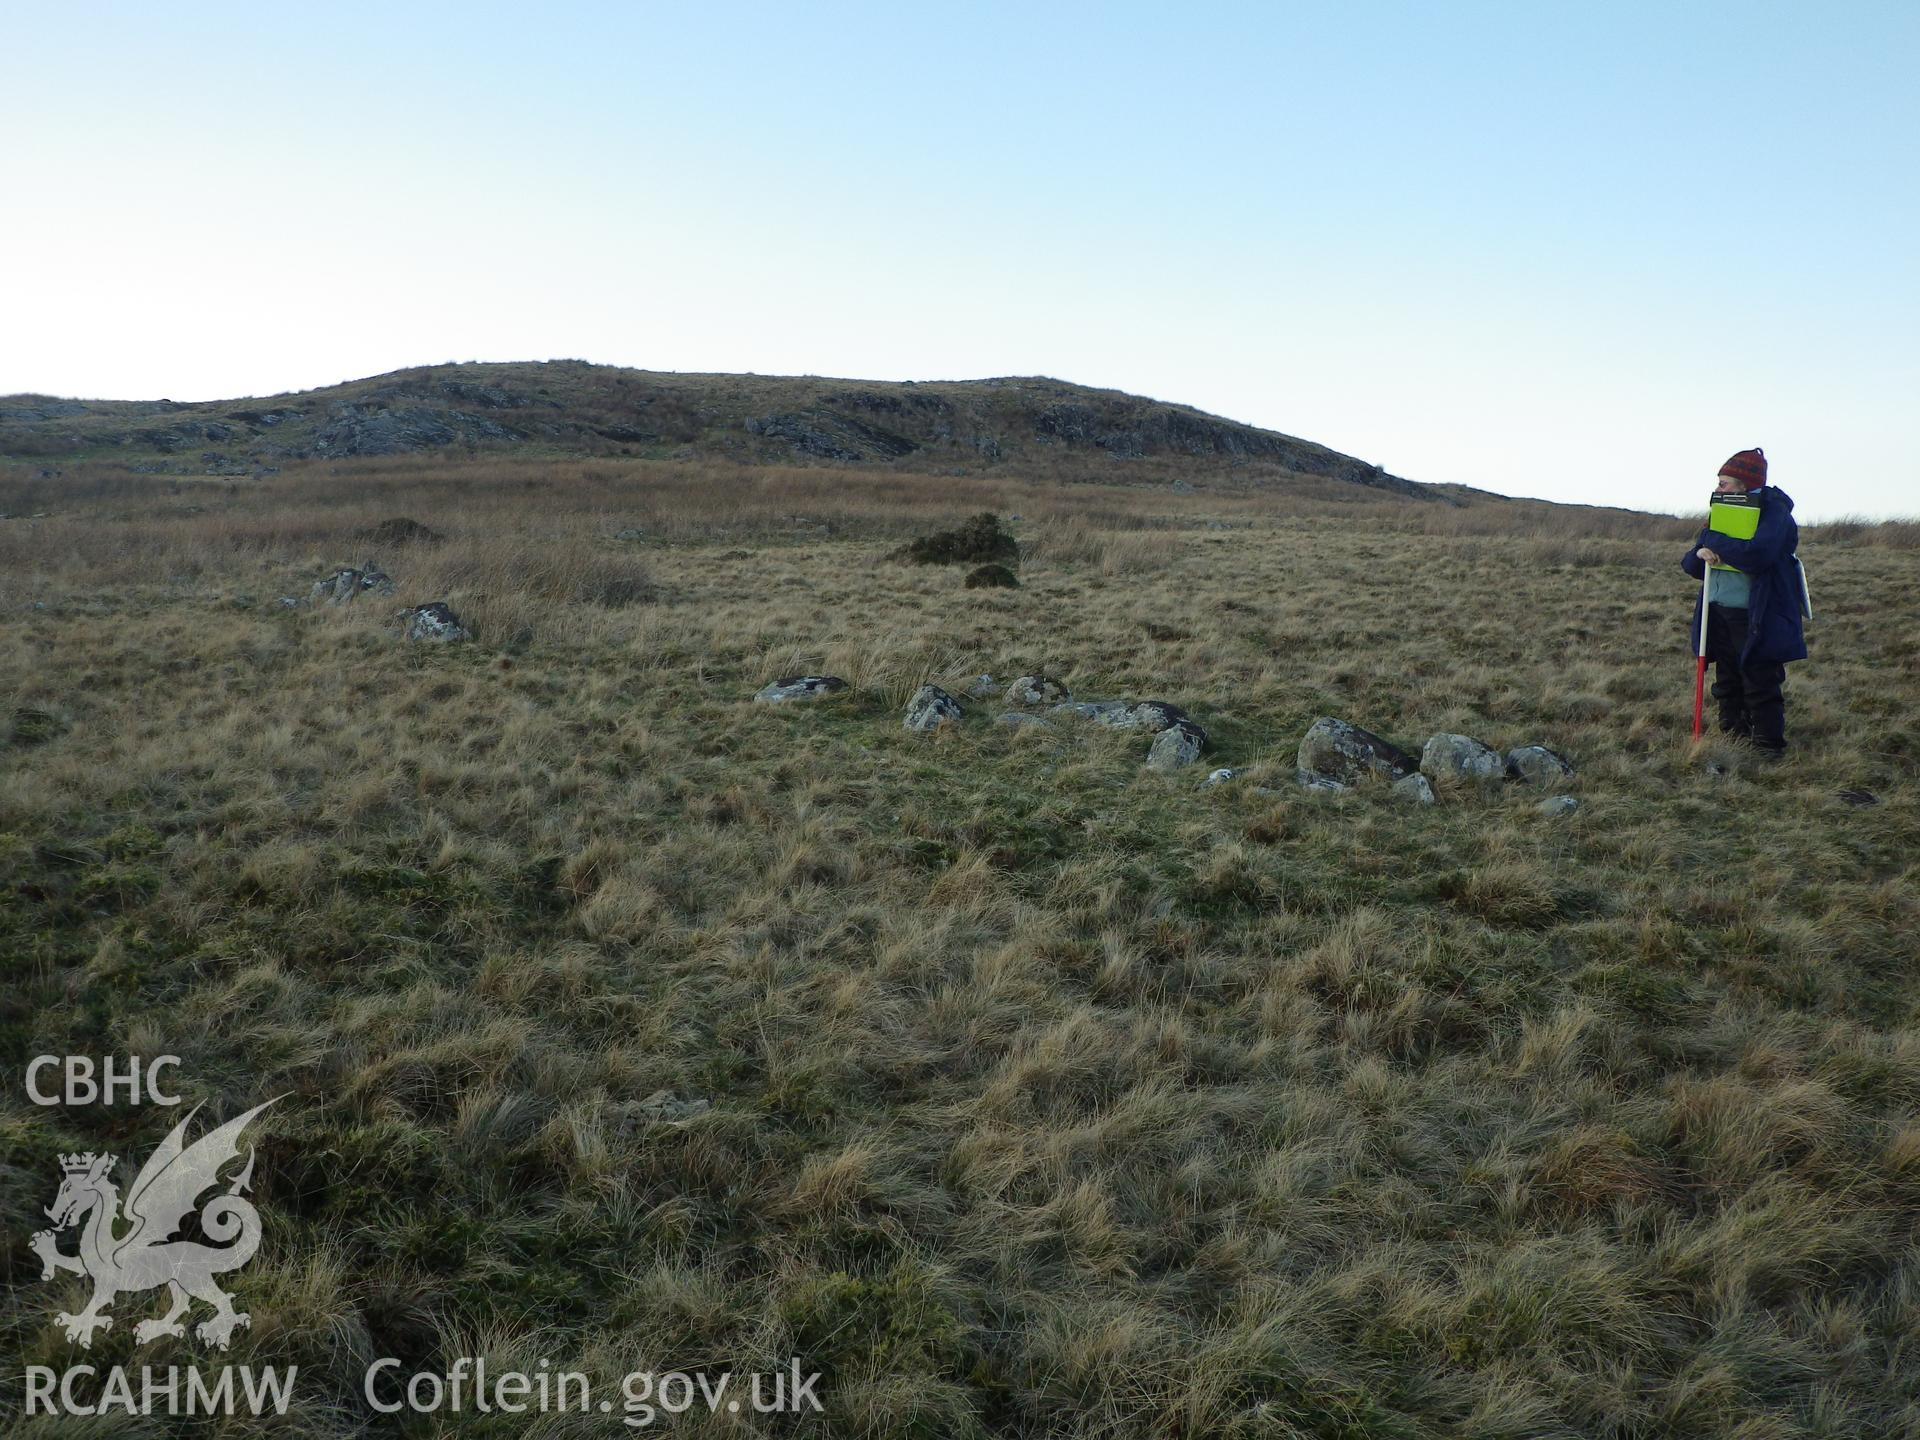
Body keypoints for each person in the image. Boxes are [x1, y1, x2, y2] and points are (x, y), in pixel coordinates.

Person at [1680, 447, 1806, 758]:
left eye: (1724, 483)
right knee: (1727, 676)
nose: (1717, 489)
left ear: (1744, 484)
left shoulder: (1775, 514)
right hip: (1717, 609)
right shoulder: (1721, 513)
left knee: (1759, 677)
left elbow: (1756, 555)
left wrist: (1713, 541)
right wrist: (1700, 553)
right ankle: (1733, 733)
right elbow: (1690, 564)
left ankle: (1767, 745)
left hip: (1758, 613)